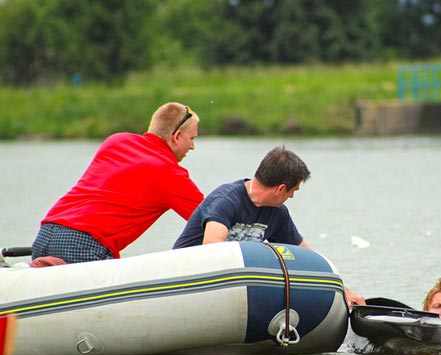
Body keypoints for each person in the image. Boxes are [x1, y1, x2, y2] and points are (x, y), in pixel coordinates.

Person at [173, 145, 364, 307]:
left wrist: (343, 291)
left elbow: (307, 256)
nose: (292, 197)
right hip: (184, 282)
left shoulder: (277, 212)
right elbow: (211, 247)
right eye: (293, 191)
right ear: (281, 188)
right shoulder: (226, 200)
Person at [31, 102, 204, 264]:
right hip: (83, 243)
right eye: (192, 139)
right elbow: (212, 217)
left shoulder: (116, 141)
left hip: (46, 232)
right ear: (177, 136)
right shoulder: (169, 173)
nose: (192, 147)